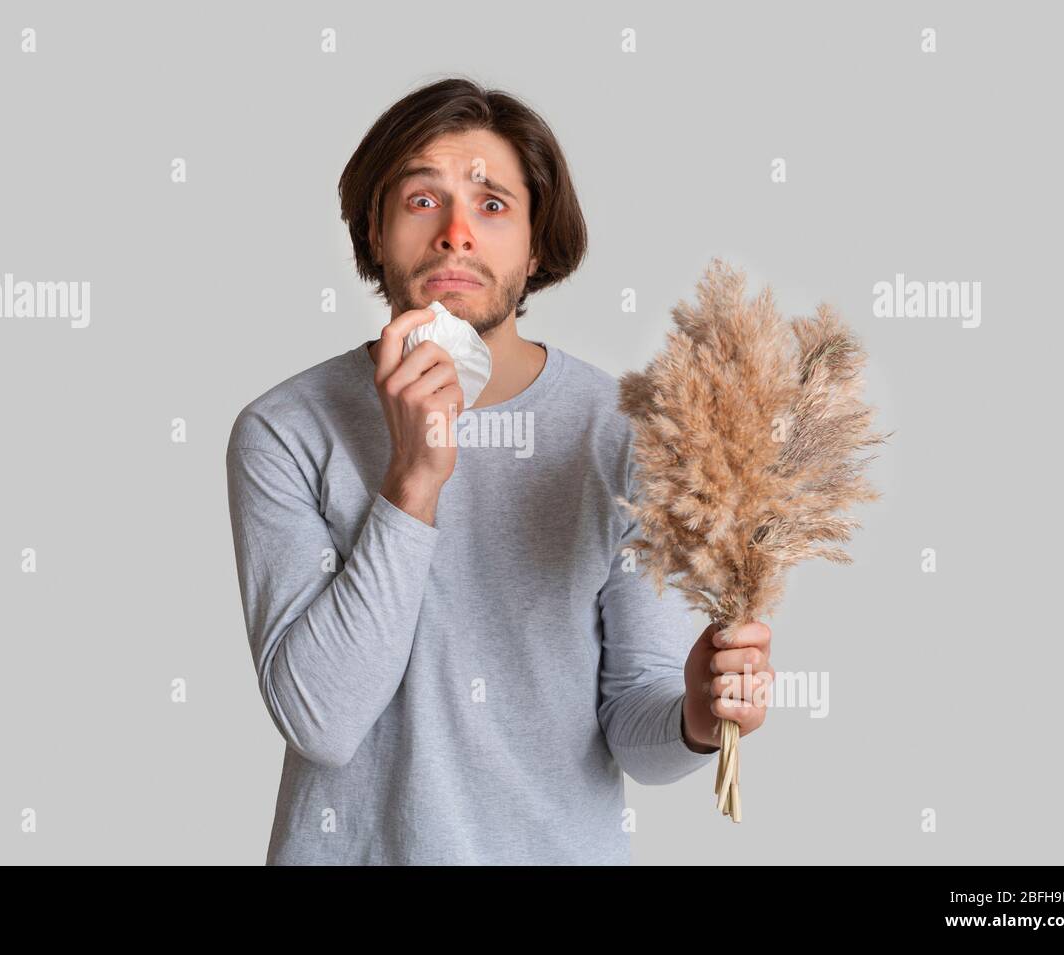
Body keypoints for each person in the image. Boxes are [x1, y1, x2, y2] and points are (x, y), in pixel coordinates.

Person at [226, 76, 774, 865]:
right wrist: (414, 478)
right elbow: (322, 720)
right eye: (422, 199)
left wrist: (693, 712)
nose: (456, 233)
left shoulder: (624, 432)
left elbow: (636, 734)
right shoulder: (284, 430)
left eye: (492, 205)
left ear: (536, 243)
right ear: (374, 231)